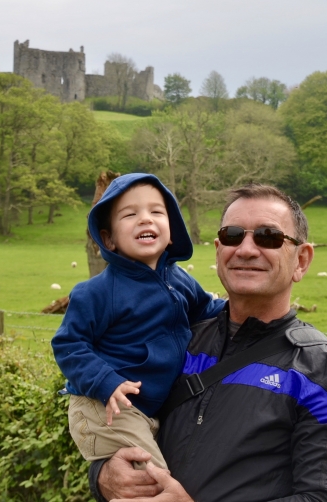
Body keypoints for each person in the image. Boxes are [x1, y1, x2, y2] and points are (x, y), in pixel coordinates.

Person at [90, 183, 327, 502]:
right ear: (218, 250)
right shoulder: (178, 341)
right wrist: (103, 476)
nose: (246, 250)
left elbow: (325, 497)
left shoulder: (326, 371)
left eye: (268, 236)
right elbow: (122, 423)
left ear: (301, 260)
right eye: (232, 235)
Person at [51, 173, 225, 470]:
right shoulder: (98, 291)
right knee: (155, 480)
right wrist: (105, 382)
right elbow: (68, 344)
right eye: (130, 214)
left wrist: (242, 308)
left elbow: (206, 309)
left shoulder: (180, 280)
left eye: (156, 212)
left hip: (148, 410)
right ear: (109, 239)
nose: (145, 219)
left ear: (172, 231)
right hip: (105, 406)